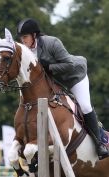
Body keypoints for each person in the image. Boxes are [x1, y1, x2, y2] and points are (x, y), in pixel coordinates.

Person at [16, 18, 109, 159]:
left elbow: (70, 64)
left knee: (84, 106)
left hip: (75, 77)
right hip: (58, 83)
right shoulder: (27, 52)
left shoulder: (52, 42)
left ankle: (100, 143)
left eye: (25, 37)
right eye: (21, 38)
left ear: (34, 35)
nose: (23, 41)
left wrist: (49, 67)